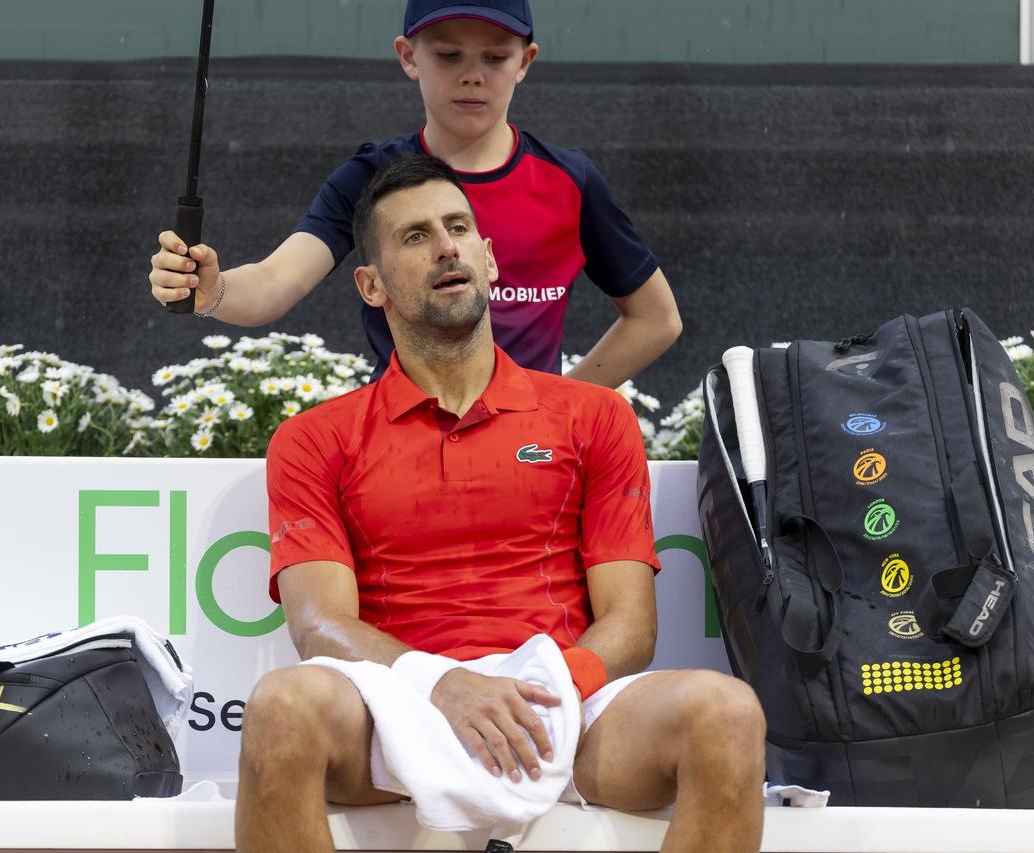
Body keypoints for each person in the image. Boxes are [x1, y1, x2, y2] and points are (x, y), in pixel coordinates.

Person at [235, 155, 764, 853]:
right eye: (416, 237)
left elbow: (631, 623)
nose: (446, 245)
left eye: (458, 228)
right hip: (400, 705)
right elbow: (319, 626)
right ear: (371, 284)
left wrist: (539, 692)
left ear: (489, 260)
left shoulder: (594, 416)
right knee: (281, 707)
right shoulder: (314, 439)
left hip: (557, 705)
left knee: (725, 712)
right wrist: (447, 685)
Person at [149, 0, 681, 389]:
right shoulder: (369, 177)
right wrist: (210, 289)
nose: (473, 76)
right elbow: (273, 283)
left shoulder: (570, 179)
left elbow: (657, 318)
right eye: (449, 55)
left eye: (495, 58)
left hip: (531, 458)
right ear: (408, 56)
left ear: (526, 62)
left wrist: (562, 401)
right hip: (398, 449)